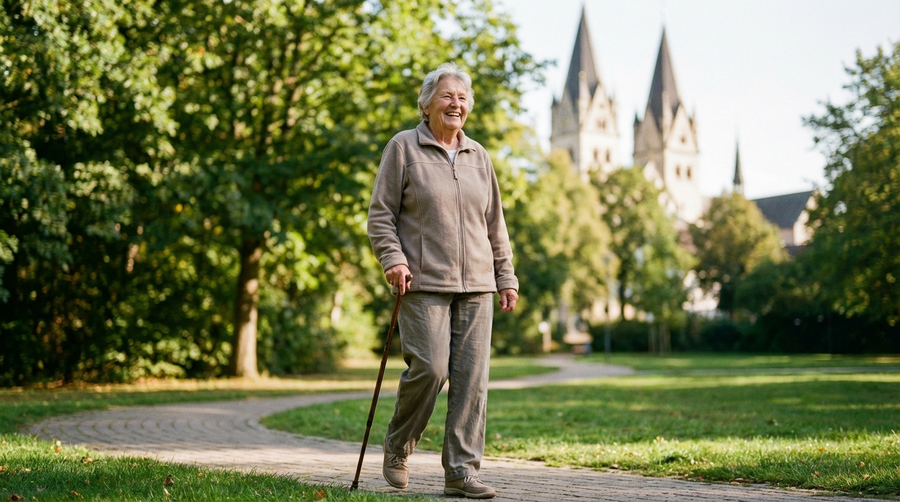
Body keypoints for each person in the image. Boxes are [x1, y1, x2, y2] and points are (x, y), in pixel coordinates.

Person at [367, 62, 519, 499]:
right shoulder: (403, 148)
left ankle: (462, 472)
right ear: (426, 103)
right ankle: (398, 446)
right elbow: (381, 216)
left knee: (472, 379)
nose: (456, 103)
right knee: (431, 369)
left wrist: (505, 275)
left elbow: (495, 224)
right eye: (448, 96)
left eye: (463, 97)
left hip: (477, 284)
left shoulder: (479, 157)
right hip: (424, 282)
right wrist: (393, 260)